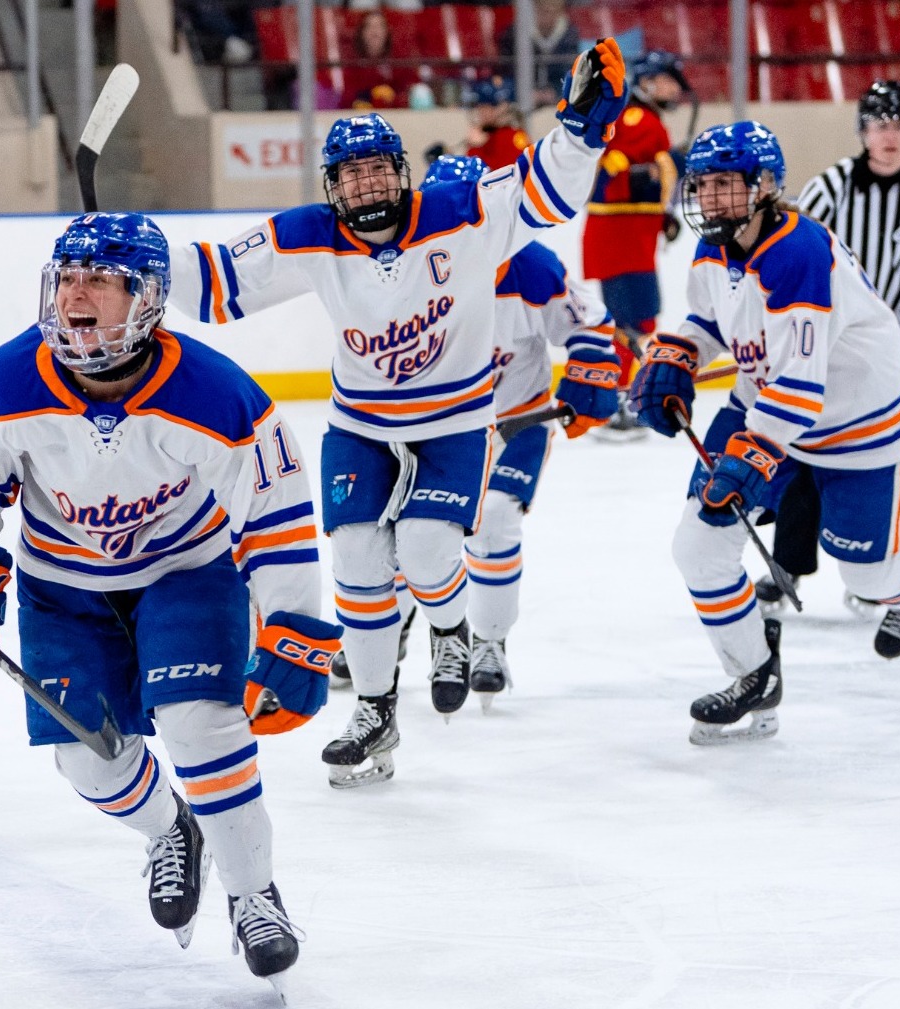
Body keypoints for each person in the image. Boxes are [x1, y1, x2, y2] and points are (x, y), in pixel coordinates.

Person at [166, 39, 630, 787]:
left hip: (454, 422)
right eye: (353, 173)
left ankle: (449, 628)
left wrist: (581, 129)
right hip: (361, 427)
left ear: (403, 174)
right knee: (354, 555)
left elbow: (545, 189)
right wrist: (146, 255)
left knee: (421, 548)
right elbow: (219, 282)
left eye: (380, 167)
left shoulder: (463, 212)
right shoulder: (308, 233)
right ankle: (376, 707)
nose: (368, 182)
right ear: (333, 184)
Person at [0, 213, 339, 993]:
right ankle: (171, 828)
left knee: (200, 725)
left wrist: (293, 629)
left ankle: (253, 893)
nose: (76, 295)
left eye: (100, 281)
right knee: (87, 754)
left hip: (187, 569)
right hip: (62, 586)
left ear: (146, 300)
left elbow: (275, 519)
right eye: (67, 278)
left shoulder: (218, 394)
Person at [630, 121, 900, 746]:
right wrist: (676, 355)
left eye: (728, 184)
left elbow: (801, 387)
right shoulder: (715, 245)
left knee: (865, 574)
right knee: (699, 544)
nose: (713, 199)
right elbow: (707, 320)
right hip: (770, 407)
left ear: (766, 186)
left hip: (860, 429)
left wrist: (750, 454)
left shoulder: (799, 253)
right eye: (704, 185)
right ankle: (754, 676)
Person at [326, 155, 623, 713]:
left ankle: (488, 642)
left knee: (497, 520)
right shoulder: (404, 268)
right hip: (432, 429)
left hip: (515, 423)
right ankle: (392, 632)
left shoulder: (531, 267)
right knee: (399, 535)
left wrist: (590, 369)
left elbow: (588, 323)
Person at [759, 80, 900, 615]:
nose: (891, 135)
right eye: (880, 124)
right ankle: (787, 568)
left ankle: (876, 566)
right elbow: (793, 250)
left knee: (885, 465)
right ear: (863, 131)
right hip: (829, 349)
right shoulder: (832, 187)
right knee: (803, 457)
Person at [582, 50, 688, 435]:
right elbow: (623, 175)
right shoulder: (641, 120)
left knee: (635, 317)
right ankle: (620, 398)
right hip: (623, 240)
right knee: (634, 319)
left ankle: (622, 396)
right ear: (648, 81)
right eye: (667, 79)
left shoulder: (642, 119)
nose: (674, 88)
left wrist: (662, 216)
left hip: (627, 238)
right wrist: (668, 166)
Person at [498, 0, 581, 108]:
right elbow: (506, 71)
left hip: (557, 102)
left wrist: (555, 91)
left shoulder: (570, 34)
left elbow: (570, 71)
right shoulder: (514, 33)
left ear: (560, 12)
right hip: (519, 100)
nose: (547, 16)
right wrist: (524, 92)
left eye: (552, 11)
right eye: (542, 11)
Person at [339, 9, 417, 110]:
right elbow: (347, 98)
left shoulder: (398, 61)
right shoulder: (352, 63)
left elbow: (409, 88)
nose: (374, 31)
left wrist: (392, 99)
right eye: (369, 26)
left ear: (386, 31)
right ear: (361, 33)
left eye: (379, 26)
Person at [462, 74, 529, 170]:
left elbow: (506, 175)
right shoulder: (481, 135)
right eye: (481, 106)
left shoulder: (515, 136)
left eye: (491, 106)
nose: (483, 111)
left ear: (504, 107)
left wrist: (477, 148)